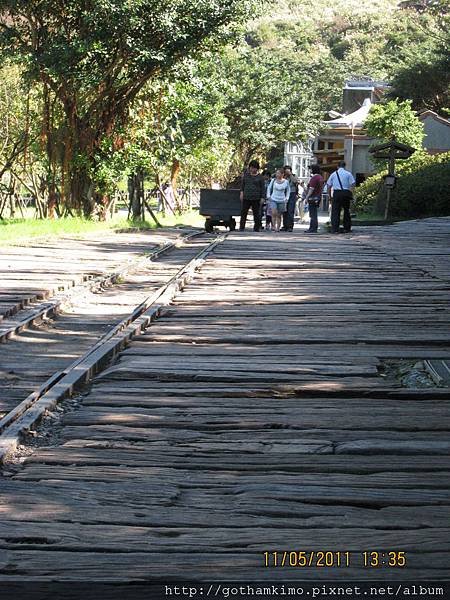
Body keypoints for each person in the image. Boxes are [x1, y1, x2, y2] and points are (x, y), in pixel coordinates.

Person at [327, 161, 356, 233]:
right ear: (344, 166)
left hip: (336, 193)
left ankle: (335, 229)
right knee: (346, 211)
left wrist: (330, 196)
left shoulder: (333, 174)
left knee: (335, 211)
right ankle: (347, 228)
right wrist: (352, 194)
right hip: (346, 193)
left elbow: (329, 185)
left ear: (337, 166)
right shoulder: (348, 174)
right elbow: (353, 184)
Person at [239, 160, 265, 231]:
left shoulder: (260, 177)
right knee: (244, 212)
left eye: (254, 168)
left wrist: (263, 197)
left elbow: (263, 188)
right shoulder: (246, 176)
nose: (252, 169)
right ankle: (241, 227)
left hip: (256, 197)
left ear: (257, 168)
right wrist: (241, 193)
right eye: (251, 167)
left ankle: (256, 227)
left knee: (256, 213)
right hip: (246, 197)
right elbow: (242, 185)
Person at [304, 164, 324, 233]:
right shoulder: (320, 177)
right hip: (318, 196)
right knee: (314, 213)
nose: (310, 171)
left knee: (312, 214)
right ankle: (313, 227)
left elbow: (311, 189)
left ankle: (312, 228)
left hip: (313, 197)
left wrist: (307, 197)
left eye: (311, 169)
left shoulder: (314, 178)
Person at [282, 165, 298, 232]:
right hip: (284, 194)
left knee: (290, 210)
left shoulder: (294, 176)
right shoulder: (283, 177)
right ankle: (285, 225)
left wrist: (290, 175)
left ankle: (290, 226)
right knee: (284, 211)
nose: (287, 172)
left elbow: (295, 182)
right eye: (286, 170)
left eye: (288, 170)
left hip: (292, 193)